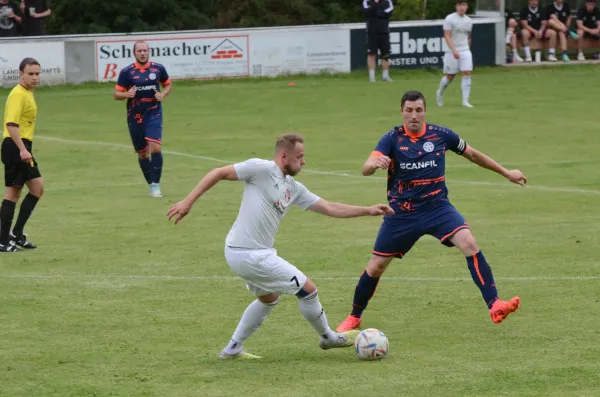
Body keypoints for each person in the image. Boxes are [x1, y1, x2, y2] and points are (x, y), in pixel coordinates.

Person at [168, 133, 395, 359]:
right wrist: (188, 201)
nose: (303, 161)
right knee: (308, 290)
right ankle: (327, 337)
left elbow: (330, 207)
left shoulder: (293, 187)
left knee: (269, 298)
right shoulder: (261, 169)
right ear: (284, 156)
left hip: (250, 253)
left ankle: (232, 349)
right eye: (300, 156)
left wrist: (368, 210)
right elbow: (218, 173)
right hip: (248, 253)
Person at [336, 90, 527, 333]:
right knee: (375, 267)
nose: (414, 115)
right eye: (409, 110)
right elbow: (366, 168)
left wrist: (506, 172)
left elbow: (473, 154)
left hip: (438, 208)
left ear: (425, 111)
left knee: (468, 242)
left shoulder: (441, 135)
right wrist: (372, 165)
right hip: (402, 214)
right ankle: (354, 316)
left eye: (418, 110)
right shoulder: (392, 139)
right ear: (402, 112)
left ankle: (494, 303)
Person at [114, 41, 172, 198]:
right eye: (139, 50)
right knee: (143, 153)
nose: (143, 53)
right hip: (135, 115)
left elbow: (168, 85)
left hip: (154, 112)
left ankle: (156, 185)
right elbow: (117, 94)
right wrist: (127, 94)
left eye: (145, 50)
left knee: (156, 148)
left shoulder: (158, 68)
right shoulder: (127, 72)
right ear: (134, 53)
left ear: (149, 52)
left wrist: (163, 94)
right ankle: (150, 183)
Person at [0, 57, 44, 253]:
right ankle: (2, 240)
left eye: (37, 73)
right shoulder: (18, 94)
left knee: (37, 189)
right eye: (31, 74)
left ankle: (16, 233)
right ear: (21, 74)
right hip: (15, 146)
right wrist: (22, 150)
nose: (35, 77)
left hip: (22, 146)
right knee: (13, 194)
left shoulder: (28, 92)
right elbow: (11, 125)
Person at [436, 0, 474, 108]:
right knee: (450, 76)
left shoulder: (469, 21)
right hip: (451, 50)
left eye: (464, 5)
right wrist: (453, 50)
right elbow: (447, 36)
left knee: (466, 73)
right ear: (456, 6)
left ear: (466, 7)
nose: (462, 7)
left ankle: (465, 101)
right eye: (460, 5)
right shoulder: (450, 19)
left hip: (465, 50)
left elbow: (468, 36)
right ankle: (440, 93)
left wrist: (468, 49)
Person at [363, 0, 394, 83]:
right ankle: (372, 77)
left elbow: (389, 13)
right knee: (371, 54)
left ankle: (385, 76)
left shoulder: (387, 1)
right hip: (371, 32)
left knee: (385, 55)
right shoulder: (367, 1)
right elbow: (367, 12)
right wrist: (380, 10)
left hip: (384, 32)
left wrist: (375, 10)